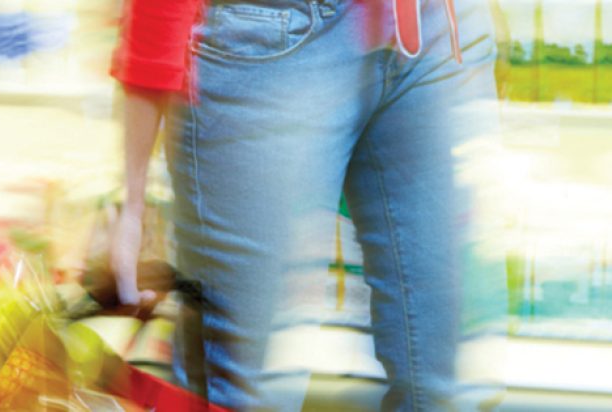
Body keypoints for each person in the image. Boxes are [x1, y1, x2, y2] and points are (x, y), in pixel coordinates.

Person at [108, 0, 505, 410]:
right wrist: (132, 201)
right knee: (247, 391)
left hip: (430, 31)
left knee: (439, 384)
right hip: (271, 35)